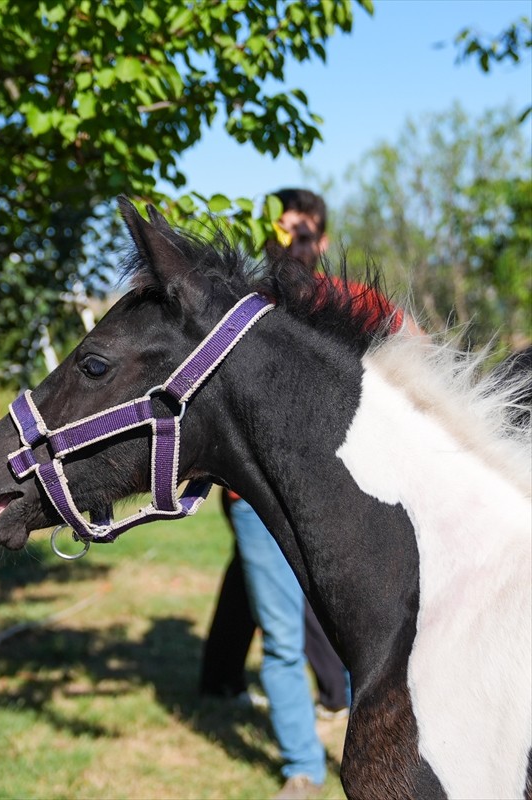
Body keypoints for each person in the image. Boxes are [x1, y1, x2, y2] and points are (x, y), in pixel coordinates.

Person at [202, 188, 369, 800]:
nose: (294, 243)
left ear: (322, 241)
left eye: (304, 233)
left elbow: (417, 345)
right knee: (279, 631)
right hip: (256, 504)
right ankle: (303, 768)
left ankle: (360, 717)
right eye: (284, 230)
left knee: (361, 622)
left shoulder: (346, 303)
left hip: (343, 501)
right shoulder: (247, 308)